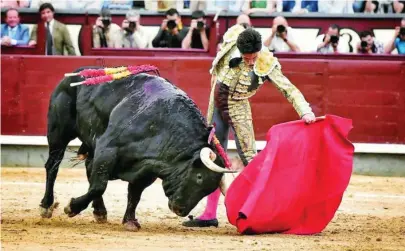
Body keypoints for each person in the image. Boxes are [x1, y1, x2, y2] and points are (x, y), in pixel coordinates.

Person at [182, 24, 316, 228]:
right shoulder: (233, 42)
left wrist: (305, 111)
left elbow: (289, 89)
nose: (251, 61)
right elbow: (217, 77)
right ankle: (210, 213)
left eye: (254, 57)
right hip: (216, 102)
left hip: (238, 105)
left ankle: (261, 210)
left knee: (250, 158)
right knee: (213, 155)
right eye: (247, 57)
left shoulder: (266, 62)